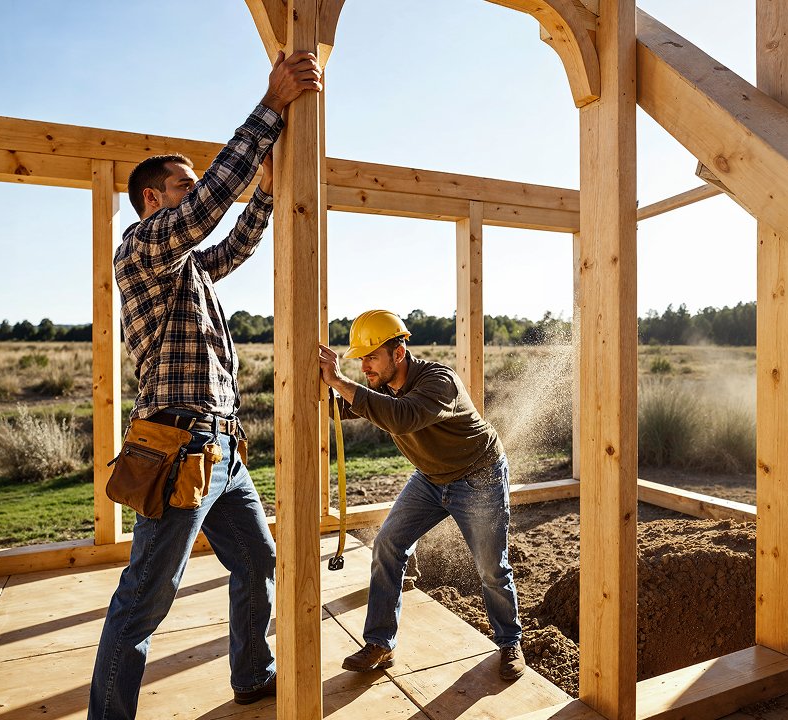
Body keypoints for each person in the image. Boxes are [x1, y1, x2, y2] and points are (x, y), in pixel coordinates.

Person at [88, 51, 322, 718]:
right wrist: (271, 107)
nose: (195, 193)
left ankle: (252, 674)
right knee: (144, 599)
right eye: (183, 186)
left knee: (258, 562)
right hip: (178, 449)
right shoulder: (140, 248)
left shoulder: (186, 269)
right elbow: (211, 210)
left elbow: (234, 243)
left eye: (194, 185)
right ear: (153, 201)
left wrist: (270, 191)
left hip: (222, 455)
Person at [317, 310, 526, 681]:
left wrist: (338, 381)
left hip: (478, 476)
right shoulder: (382, 384)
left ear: (398, 354)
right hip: (430, 479)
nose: (365, 366)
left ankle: (510, 641)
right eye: (361, 358)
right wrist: (321, 384)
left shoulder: (439, 381)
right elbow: (347, 407)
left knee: (491, 567)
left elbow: (400, 417)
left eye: (371, 357)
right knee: (388, 544)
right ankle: (380, 643)